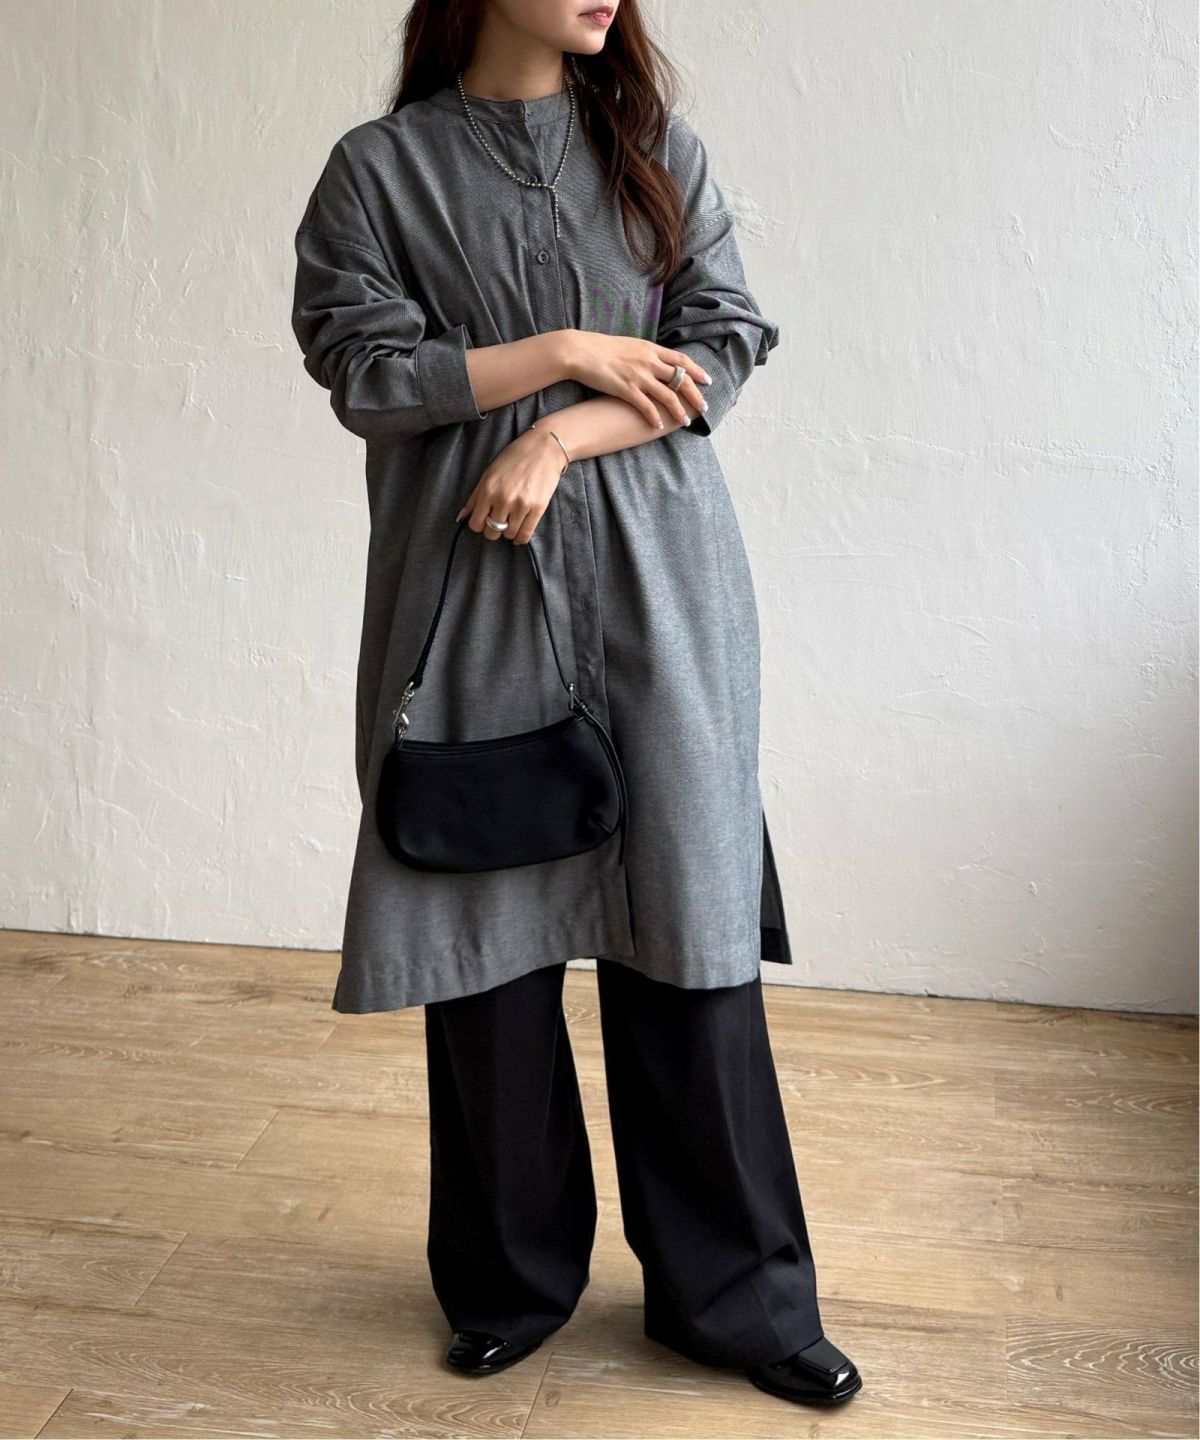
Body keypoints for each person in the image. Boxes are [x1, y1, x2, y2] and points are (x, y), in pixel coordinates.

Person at [290, 0, 862, 1408]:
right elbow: (365, 371)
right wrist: (561, 348)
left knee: (688, 931)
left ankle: (737, 1299)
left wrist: (559, 429)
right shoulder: (383, 169)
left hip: (665, 592)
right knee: (484, 934)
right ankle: (508, 1280)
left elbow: (722, 342)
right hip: (473, 591)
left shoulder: (656, 150)